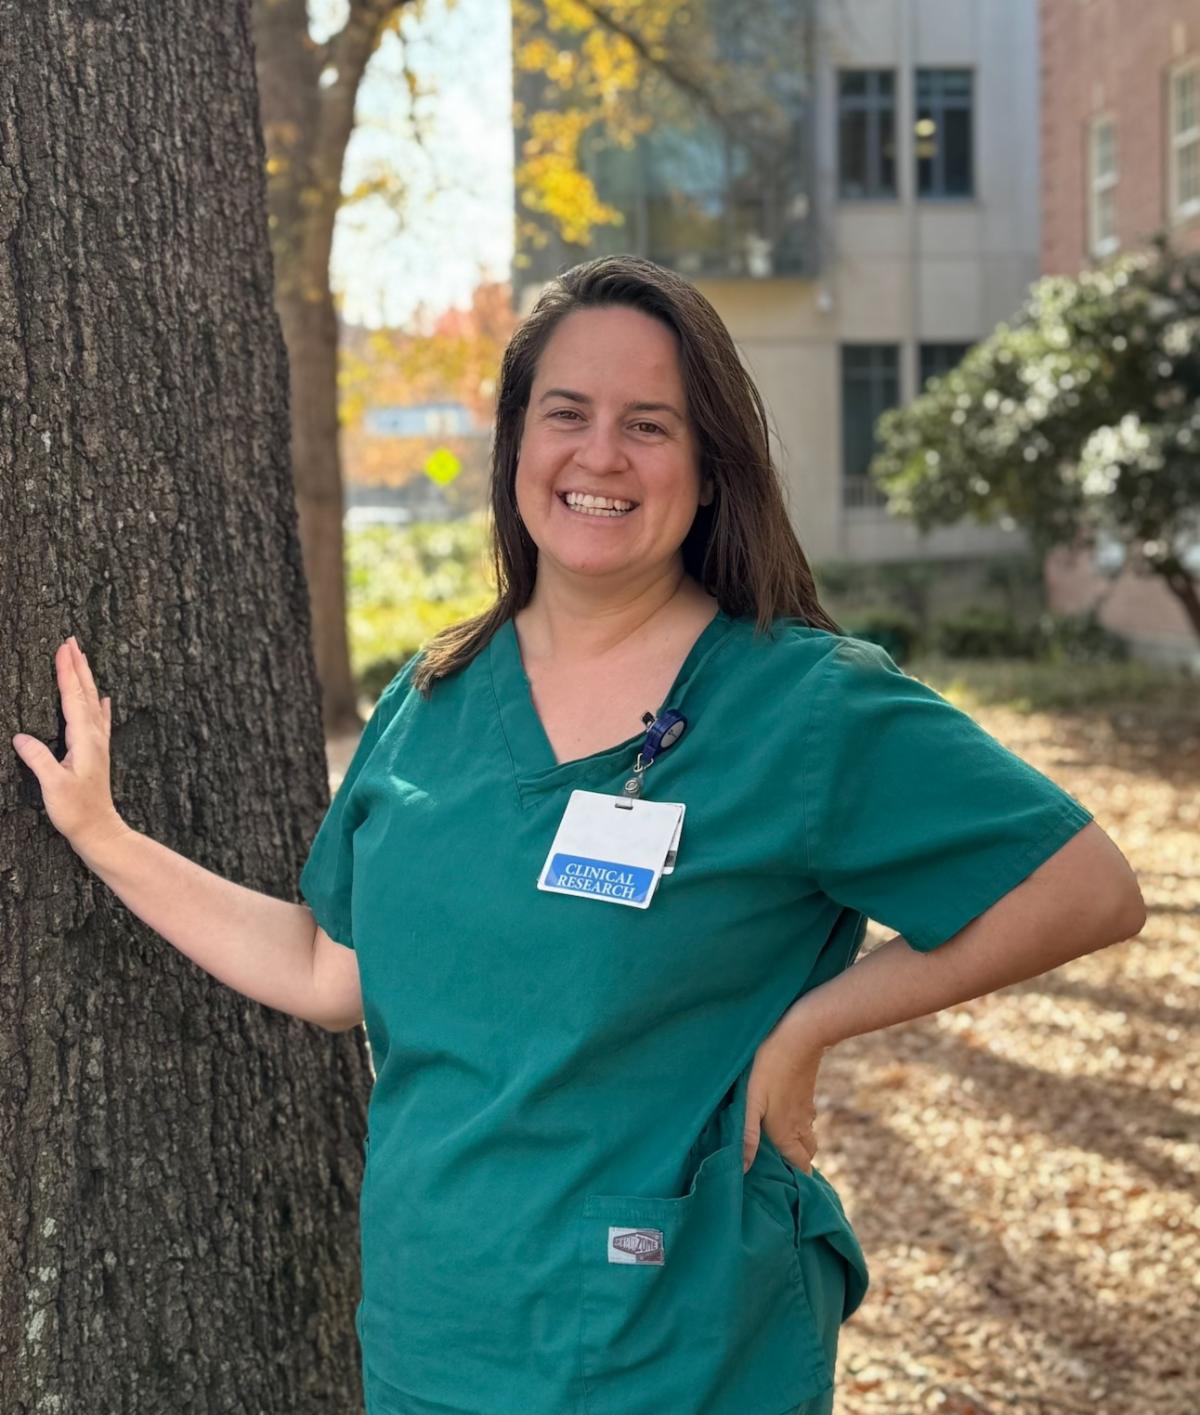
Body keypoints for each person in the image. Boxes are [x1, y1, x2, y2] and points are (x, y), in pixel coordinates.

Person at [12, 253, 1147, 1415]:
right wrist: (103, 834)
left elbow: (1085, 886)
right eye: (567, 414)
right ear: (517, 447)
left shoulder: (803, 707)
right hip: (434, 1335)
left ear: (709, 470)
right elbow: (325, 966)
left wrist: (815, 1019)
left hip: (677, 1348)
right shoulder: (435, 698)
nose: (600, 455)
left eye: (648, 424)